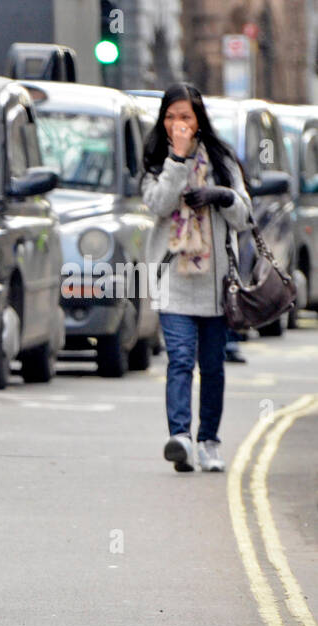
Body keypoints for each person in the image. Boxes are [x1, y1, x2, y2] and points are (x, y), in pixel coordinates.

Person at [141, 82, 252, 472]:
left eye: (185, 117)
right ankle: (181, 438)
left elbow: (244, 215)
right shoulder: (157, 158)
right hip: (174, 280)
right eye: (170, 118)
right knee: (181, 359)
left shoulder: (222, 157)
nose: (178, 124)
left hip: (216, 284)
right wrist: (178, 160)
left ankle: (209, 440)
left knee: (213, 365)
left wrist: (220, 196)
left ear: (199, 119)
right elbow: (159, 203)